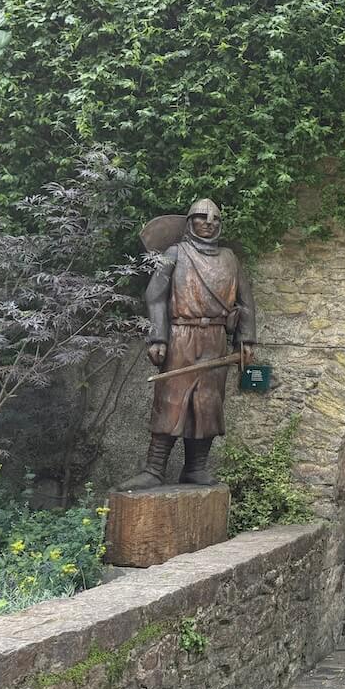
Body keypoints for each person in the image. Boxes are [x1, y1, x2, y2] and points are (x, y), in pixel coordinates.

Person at [118, 199, 255, 490]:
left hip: (216, 339)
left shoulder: (230, 258)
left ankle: (196, 468)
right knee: (171, 400)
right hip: (181, 335)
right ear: (190, 222)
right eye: (202, 217)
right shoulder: (175, 253)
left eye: (216, 218)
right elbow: (155, 296)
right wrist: (158, 337)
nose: (210, 222)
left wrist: (245, 339)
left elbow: (246, 302)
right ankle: (154, 469)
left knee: (208, 405)